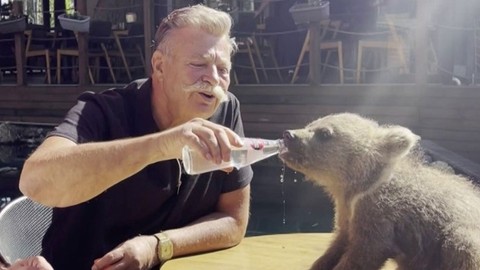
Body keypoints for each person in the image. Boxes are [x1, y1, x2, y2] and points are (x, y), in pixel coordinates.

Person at [19, 4, 253, 270]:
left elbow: (234, 219)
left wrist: (158, 245)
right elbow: (33, 182)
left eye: (223, 69)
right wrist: (162, 145)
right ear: (159, 66)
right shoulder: (101, 112)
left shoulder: (226, 110)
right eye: (198, 64)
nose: (213, 80)